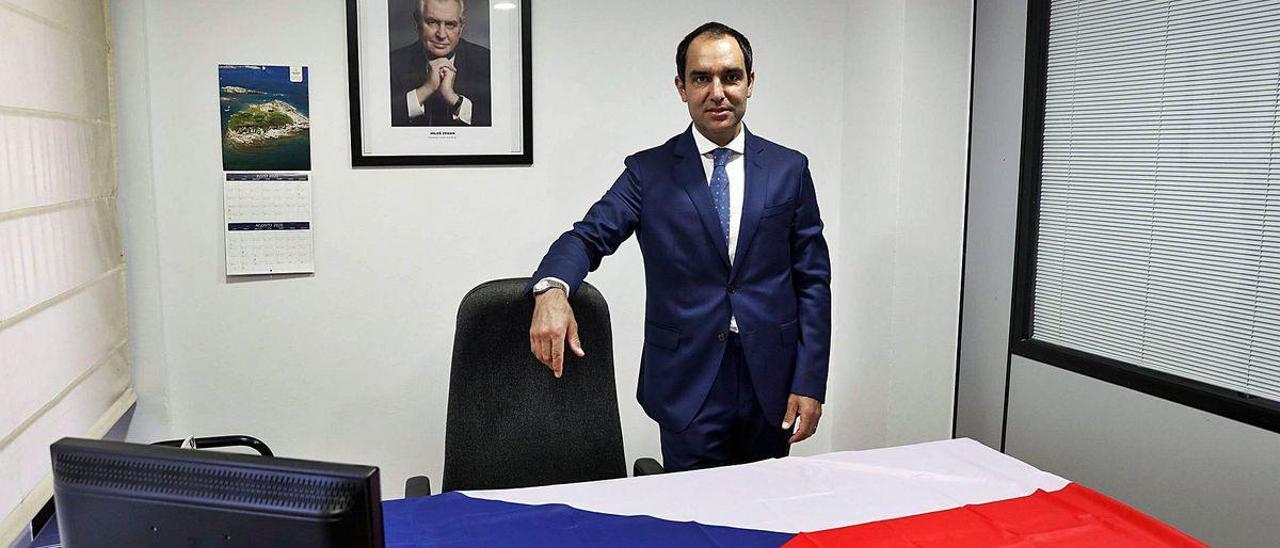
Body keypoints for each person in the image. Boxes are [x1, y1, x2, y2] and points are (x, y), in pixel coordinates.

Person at [527, 22, 832, 472]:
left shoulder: (789, 169)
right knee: (693, 520)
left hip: (771, 378)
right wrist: (551, 289)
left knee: (766, 516)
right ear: (681, 87)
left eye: (730, 76)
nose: (718, 91)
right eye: (701, 78)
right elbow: (586, 237)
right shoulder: (647, 173)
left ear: (750, 83)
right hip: (689, 383)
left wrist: (810, 381)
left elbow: (813, 281)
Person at [389, 0, 491, 126]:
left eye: (450, 24)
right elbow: (380, 122)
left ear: (461, 26)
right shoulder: (392, 63)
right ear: (417, 21)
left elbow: (499, 125)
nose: (441, 34)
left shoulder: (487, 62)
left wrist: (453, 99)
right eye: (432, 22)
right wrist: (426, 89)